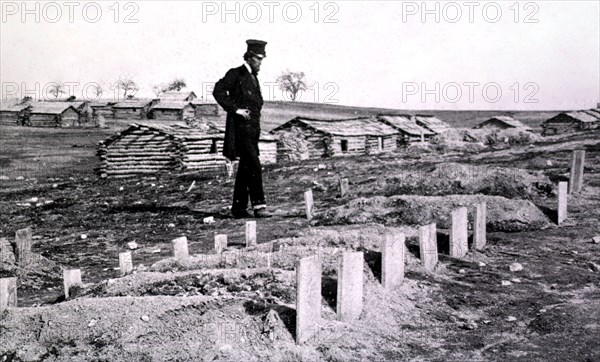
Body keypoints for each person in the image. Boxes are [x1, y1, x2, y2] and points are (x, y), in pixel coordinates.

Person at [213, 39, 272, 219]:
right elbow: (218, 91)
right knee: (254, 165)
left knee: (246, 168)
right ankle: (259, 206)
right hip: (240, 130)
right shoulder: (236, 74)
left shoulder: (254, 78)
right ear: (250, 57)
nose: (261, 63)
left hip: (252, 131)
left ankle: (238, 208)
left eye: (262, 59)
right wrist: (235, 109)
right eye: (259, 59)